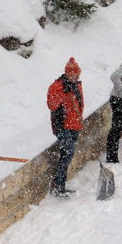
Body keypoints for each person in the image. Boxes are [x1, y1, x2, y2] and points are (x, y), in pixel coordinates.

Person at [46, 57, 84, 196]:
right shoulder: (57, 86)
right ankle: (58, 184)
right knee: (68, 152)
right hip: (62, 125)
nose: (77, 77)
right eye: (75, 75)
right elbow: (52, 105)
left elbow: (79, 104)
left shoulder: (77, 85)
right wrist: (62, 94)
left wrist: (78, 120)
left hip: (74, 124)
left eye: (78, 75)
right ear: (68, 74)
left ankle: (59, 184)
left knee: (67, 154)